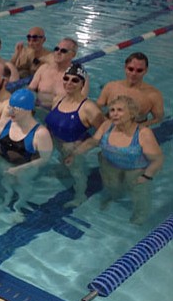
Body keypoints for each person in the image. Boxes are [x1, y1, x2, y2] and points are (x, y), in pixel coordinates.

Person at [66, 95, 163, 225]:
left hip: (135, 168)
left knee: (138, 194)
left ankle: (139, 215)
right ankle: (114, 198)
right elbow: (93, 141)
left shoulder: (143, 133)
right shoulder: (107, 126)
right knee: (112, 187)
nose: (115, 114)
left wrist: (147, 176)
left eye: (120, 110)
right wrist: (74, 154)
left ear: (132, 113)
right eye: (112, 110)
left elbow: (157, 159)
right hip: (109, 163)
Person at [0, 88, 53, 213]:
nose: (10, 111)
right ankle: (5, 202)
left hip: (26, 168)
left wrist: (19, 169)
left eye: (16, 108)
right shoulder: (4, 123)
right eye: (10, 107)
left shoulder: (40, 133)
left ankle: (18, 207)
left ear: (28, 109)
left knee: (22, 186)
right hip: (3, 163)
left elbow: (45, 159)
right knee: (7, 183)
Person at [45, 64, 105, 207]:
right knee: (64, 163)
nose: (69, 83)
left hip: (75, 147)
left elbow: (104, 132)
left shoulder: (88, 107)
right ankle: (63, 172)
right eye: (66, 79)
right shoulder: (57, 99)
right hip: (58, 143)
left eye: (75, 80)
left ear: (82, 84)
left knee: (77, 173)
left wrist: (81, 148)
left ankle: (80, 196)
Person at [96, 52, 163, 127]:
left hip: (134, 132)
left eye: (139, 70)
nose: (134, 73)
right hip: (109, 127)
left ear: (145, 71)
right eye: (130, 69)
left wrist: (137, 128)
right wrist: (107, 124)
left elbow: (158, 119)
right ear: (125, 67)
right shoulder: (110, 87)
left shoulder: (153, 95)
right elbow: (97, 108)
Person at [29, 37, 88, 110]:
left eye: (63, 51)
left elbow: (81, 103)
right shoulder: (43, 69)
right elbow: (30, 90)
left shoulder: (79, 77)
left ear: (73, 55)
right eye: (56, 49)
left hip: (62, 112)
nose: (58, 52)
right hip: (37, 108)